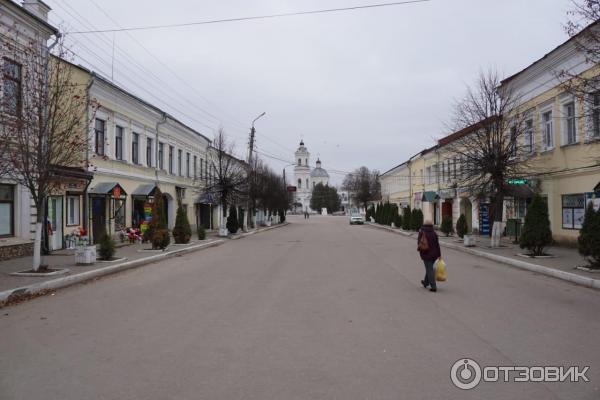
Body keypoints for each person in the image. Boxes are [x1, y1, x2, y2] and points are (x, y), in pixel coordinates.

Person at [417, 219, 441, 292]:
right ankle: (425, 283)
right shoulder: (434, 233)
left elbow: (419, 243)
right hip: (434, 254)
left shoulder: (422, 232)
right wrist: (439, 255)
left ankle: (433, 287)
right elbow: (437, 245)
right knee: (430, 268)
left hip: (426, 253)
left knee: (429, 269)